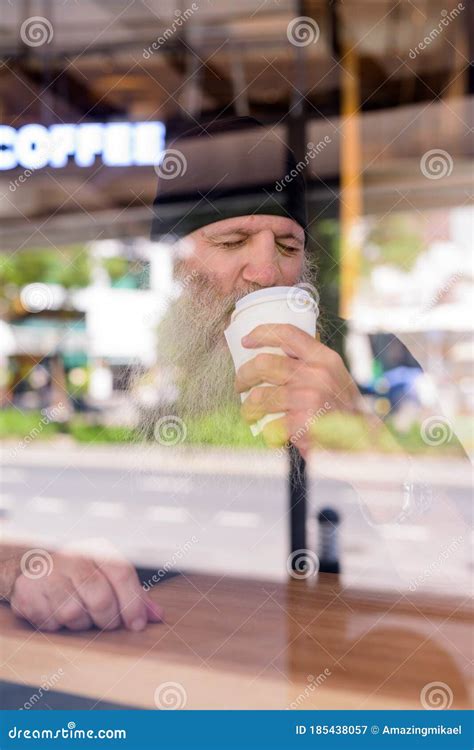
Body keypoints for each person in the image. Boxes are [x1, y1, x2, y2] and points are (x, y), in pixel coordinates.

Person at [0, 118, 462, 632]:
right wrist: (25, 566)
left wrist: (373, 455)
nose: (267, 272)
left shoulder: (366, 363)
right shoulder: (127, 370)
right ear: (175, 266)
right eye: (231, 242)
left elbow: (461, 556)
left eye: (288, 246)